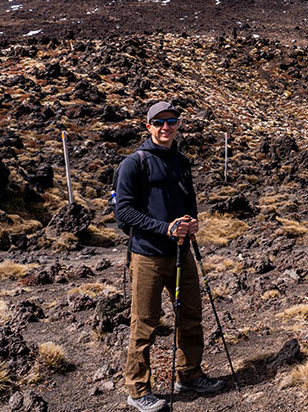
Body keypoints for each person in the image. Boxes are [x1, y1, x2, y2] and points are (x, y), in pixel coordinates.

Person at [114, 101, 225, 411]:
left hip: (181, 253)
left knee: (191, 317)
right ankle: (138, 390)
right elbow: (123, 211)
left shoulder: (181, 161)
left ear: (177, 124)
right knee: (144, 324)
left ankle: (188, 374)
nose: (166, 127)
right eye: (159, 122)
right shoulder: (133, 164)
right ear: (148, 126)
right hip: (147, 256)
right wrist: (164, 228)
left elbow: (188, 200)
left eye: (172, 121)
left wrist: (192, 221)